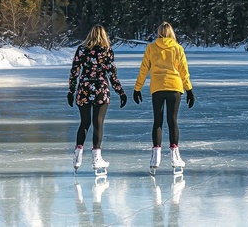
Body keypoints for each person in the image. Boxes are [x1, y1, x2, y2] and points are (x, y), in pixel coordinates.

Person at [133, 22, 195, 172]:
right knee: (172, 121)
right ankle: (175, 157)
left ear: (159, 33)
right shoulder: (177, 48)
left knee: (158, 121)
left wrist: (137, 88)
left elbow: (143, 69)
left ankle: (155, 156)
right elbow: (183, 70)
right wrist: (189, 89)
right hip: (174, 88)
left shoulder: (151, 48)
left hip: (158, 88)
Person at [67, 24, 127, 172]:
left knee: (84, 122)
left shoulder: (81, 49)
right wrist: (121, 92)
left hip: (84, 89)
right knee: (98, 123)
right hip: (100, 89)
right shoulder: (106, 51)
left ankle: (77, 155)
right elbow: (112, 74)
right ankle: (96, 158)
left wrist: (71, 90)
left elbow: (74, 71)